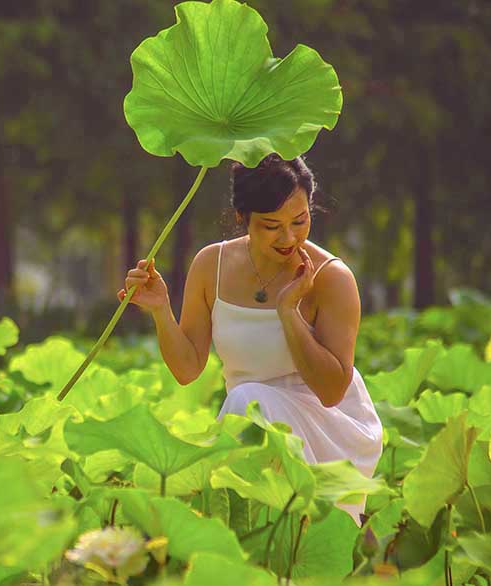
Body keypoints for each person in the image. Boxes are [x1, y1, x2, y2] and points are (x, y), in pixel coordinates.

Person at [118, 153, 383, 525]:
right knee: (246, 401)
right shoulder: (212, 265)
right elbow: (187, 369)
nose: (289, 237)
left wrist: (288, 312)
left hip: (327, 426)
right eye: (272, 226)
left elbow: (331, 391)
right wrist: (162, 310)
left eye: (300, 220)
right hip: (248, 425)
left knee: (246, 398)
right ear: (243, 218)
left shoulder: (331, 278)